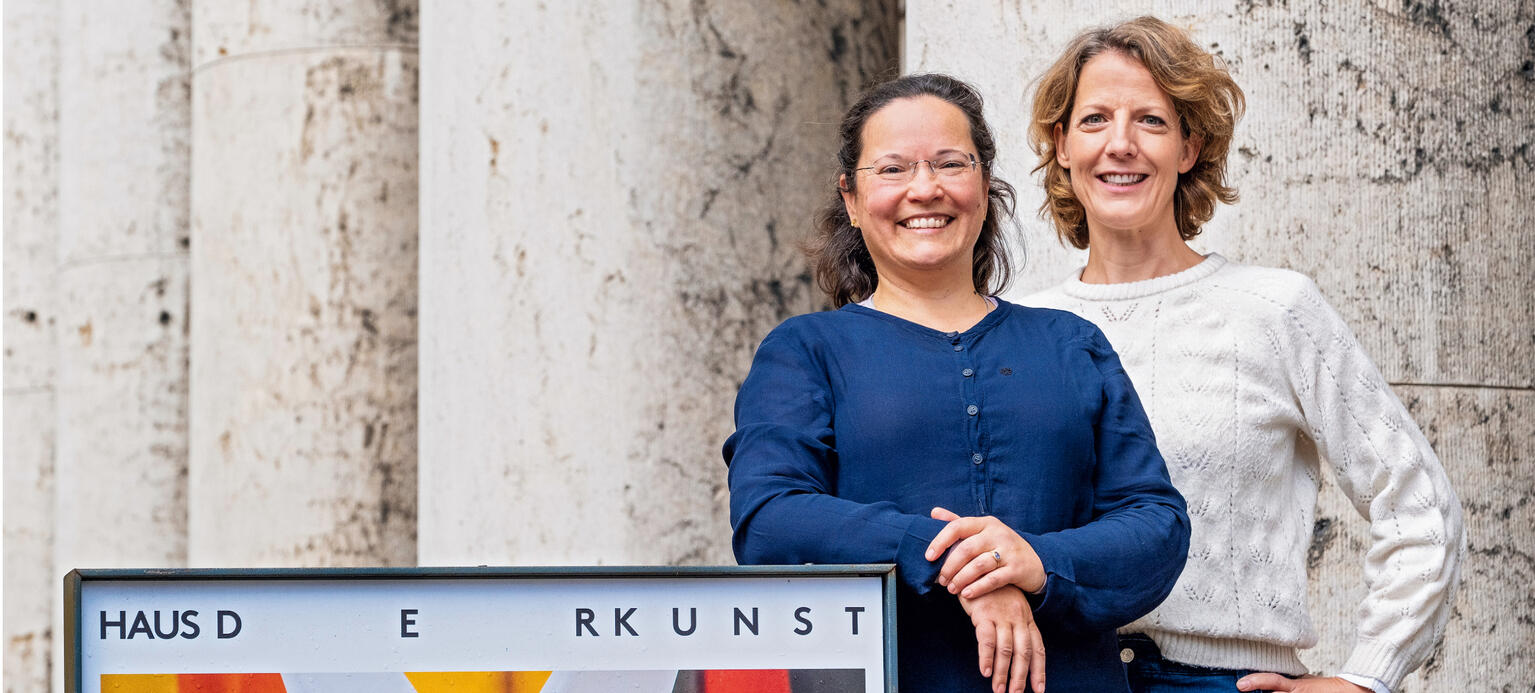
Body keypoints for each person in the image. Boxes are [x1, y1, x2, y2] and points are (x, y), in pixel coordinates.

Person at [977, 16, 1462, 693]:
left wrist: (1363, 677)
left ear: (1188, 147)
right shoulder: (1018, 327)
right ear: (1061, 145)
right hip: (1057, 673)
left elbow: (1418, 503)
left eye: (1149, 120)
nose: (1119, 145)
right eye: (1093, 120)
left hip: (1224, 680)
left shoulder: (1273, 309)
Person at [724, 72, 1191, 693]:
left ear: (984, 185)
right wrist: (957, 560)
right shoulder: (806, 351)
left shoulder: (1069, 342)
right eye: (892, 170)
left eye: (950, 163)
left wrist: (1037, 563)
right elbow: (768, 517)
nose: (925, 189)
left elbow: (1156, 523)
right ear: (852, 199)